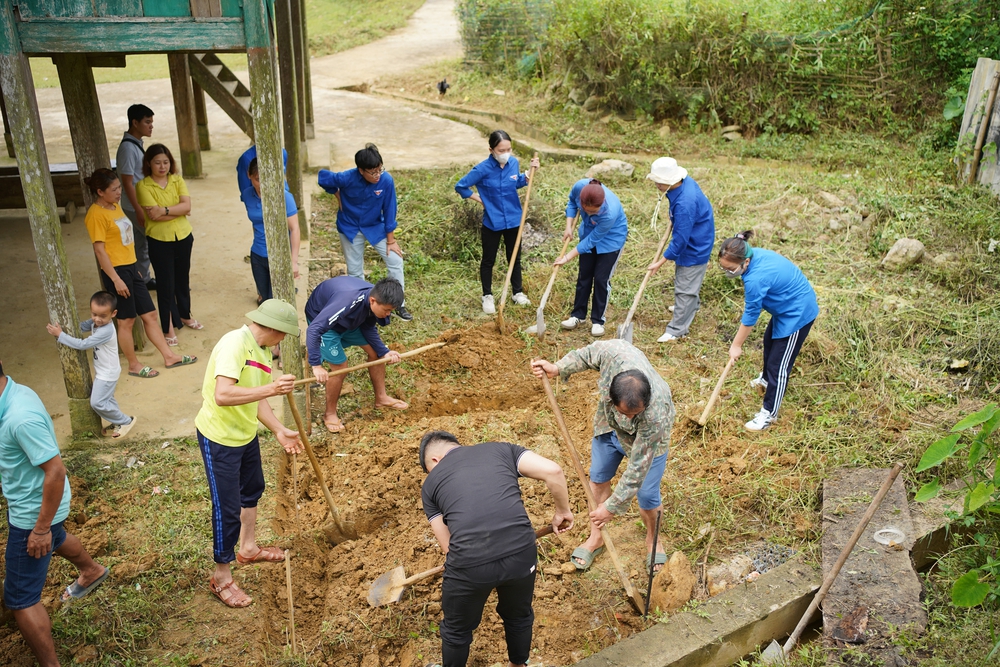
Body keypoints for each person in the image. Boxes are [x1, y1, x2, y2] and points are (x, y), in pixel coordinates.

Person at [419, 430, 573, 667]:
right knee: (519, 615)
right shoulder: (502, 450)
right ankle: (519, 664)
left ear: (435, 461)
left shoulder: (430, 484)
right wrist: (562, 511)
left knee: (456, 630)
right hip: (522, 552)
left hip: (470, 563)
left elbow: (448, 546)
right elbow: (553, 470)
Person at [194, 299, 304, 608]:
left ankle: (249, 548)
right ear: (272, 328)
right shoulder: (234, 345)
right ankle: (221, 576)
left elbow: (256, 398)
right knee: (226, 510)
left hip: (244, 435)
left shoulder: (264, 351)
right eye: (283, 335)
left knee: (253, 489)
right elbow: (224, 394)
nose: (282, 342)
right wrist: (271, 390)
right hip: (220, 439)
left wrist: (278, 430)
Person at [0, 361, 111, 667]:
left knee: (21, 598)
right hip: (45, 505)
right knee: (58, 537)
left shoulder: (19, 417)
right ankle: (92, 572)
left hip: (33, 512)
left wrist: (39, 529)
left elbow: (55, 471)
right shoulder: (14, 391)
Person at [530, 340, 675, 572]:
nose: (627, 420)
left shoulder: (656, 415)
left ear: (645, 403)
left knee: (647, 495)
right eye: (623, 412)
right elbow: (588, 353)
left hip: (647, 444)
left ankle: (653, 540)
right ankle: (596, 537)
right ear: (611, 393)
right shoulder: (614, 354)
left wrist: (612, 507)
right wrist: (559, 367)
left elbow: (637, 467)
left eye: (634, 414)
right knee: (597, 480)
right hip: (607, 428)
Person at [83, 168, 197, 378]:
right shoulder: (95, 215)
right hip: (116, 272)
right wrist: (116, 279)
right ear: (100, 192)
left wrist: (133, 266)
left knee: (150, 314)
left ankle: (169, 356)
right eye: (114, 189)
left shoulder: (114, 206)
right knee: (126, 320)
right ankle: (134, 364)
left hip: (130, 267)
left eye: (119, 187)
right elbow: (100, 250)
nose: (119, 192)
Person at [718, 230, 819, 431]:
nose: (728, 273)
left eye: (731, 269)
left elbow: (750, 316)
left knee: (779, 365)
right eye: (724, 268)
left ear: (745, 262)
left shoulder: (755, 278)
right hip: (784, 307)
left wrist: (736, 345)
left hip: (797, 312)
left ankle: (769, 414)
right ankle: (765, 379)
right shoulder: (753, 255)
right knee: (769, 342)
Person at [317, 144, 412, 321]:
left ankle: (399, 304)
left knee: (395, 260)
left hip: (375, 227)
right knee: (355, 270)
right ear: (361, 171)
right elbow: (323, 177)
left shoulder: (386, 180)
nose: (377, 175)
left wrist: (391, 240)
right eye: (372, 172)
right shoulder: (347, 177)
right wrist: (336, 194)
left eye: (379, 170)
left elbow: (390, 209)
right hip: (350, 227)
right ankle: (362, 306)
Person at [305, 276, 407, 433]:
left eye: (391, 311)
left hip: (348, 321)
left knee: (377, 354)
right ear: (372, 301)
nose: (388, 315)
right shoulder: (347, 301)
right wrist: (316, 364)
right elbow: (314, 329)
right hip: (324, 323)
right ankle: (330, 413)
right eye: (386, 310)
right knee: (340, 366)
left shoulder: (376, 297)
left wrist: (384, 351)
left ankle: (381, 398)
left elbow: (367, 326)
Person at [455, 130, 540, 315]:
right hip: (492, 222)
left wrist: (527, 175)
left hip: (514, 219)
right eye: (502, 150)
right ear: (491, 150)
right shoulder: (482, 169)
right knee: (488, 260)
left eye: (509, 149)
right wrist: (480, 200)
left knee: (514, 257)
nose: (506, 153)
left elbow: (515, 182)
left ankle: (517, 293)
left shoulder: (513, 163)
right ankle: (487, 295)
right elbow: (460, 186)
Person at [45, 291, 136, 439]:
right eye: (94, 314)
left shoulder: (106, 330)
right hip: (104, 370)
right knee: (107, 399)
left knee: (97, 402)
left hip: (108, 373)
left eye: (102, 316)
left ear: (113, 313)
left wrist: (60, 335)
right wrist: (64, 327)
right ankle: (117, 421)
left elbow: (82, 344)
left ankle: (126, 421)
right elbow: (80, 326)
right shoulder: (96, 322)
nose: (97, 319)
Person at [136, 143, 202, 346]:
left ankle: (185, 314)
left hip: (183, 236)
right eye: (157, 162)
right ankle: (168, 326)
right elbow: (152, 216)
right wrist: (177, 210)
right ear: (149, 164)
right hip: (159, 241)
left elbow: (187, 206)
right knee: (165, 284)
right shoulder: (143, 185)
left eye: (166, 162)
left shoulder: (177, 180)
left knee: (182, 279)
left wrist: (163, 211)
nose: (162, 166)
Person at [645, 157, 716, 342]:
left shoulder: (685, 203)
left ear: (667, 181)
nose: (655, 183)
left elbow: (680, 241)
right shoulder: (684, 183)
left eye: (657, 180)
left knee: (685, 287)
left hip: (695, 245)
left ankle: (677, 330)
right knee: (687, 282)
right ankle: (689, 306)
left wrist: (659, 262)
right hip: (695, 231)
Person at [554, 178, 628, 337]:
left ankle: (598, 321)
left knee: (601, 279)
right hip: (588, 233)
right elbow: (572, 203)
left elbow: (592, 241)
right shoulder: (580, 187)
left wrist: (567, 257)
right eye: (586, 210)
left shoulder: (610, 212)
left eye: (593, 212)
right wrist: (569, 226)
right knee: (584, 276)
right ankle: (578, 316)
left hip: (611, 241)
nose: (588, 213)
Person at [241, 157, 301, 304]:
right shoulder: (247, 195)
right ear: (249, 175)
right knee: (263, 299)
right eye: (257, 179)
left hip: (279, 255)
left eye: (266, 179)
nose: (262, 184)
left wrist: (293, 261)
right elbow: (256, 223)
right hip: (257, 254)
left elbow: (294, 229)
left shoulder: (284, 197)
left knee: (277, 302)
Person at [116, 103, 155, 290]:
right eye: (147, 122)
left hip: (138, 203)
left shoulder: (135, 145)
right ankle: (146, 279)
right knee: (152, 240)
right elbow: (127, 181)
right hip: (134, 205)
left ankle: (143, 279)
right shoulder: (127, 149)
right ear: (135, 122)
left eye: (151, 122)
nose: (151, 126)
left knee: (141, 244)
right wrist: (138, 209)